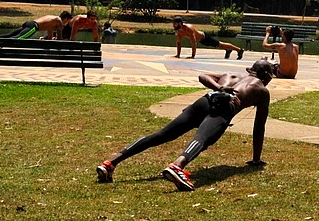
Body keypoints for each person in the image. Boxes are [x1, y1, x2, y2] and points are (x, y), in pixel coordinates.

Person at [96, 59, 274, 191]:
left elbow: (203, 76)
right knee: (202, 138)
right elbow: (259, 127)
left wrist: (219, 88)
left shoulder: (231, 75)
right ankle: (176, 167)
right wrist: (256, 159)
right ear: (265, 75)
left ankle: (110, 164)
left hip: (204, 100)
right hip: (224, 107)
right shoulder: (262, 91)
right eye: (271, 76)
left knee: (162, 134)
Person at [172, 16, 244, 60]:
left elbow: (193, 42)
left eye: (175, 23)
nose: (173, 25)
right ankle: (228, 50)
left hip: (205, 38)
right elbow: (178, 42)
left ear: (180, 23)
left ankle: (239, 50)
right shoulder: (179, 31)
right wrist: (178, 55)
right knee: (218, 45)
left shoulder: (189, 28)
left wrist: (192, 56)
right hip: (201, 41)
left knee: (220, 44)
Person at [0, 11, 72, 40]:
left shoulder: (53, 20)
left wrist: (47, 38)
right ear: (65, 18)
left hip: (29, 23)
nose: (67, 24)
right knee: (18, 39)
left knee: (10, 34)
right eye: (68, 21)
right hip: (34, 27)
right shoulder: (59, 22)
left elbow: (49, 36)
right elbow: (60, 39)